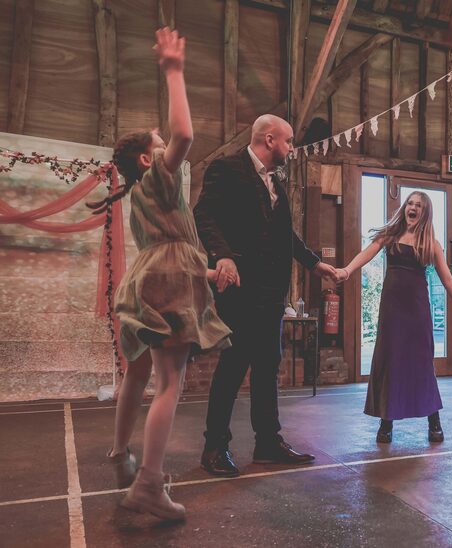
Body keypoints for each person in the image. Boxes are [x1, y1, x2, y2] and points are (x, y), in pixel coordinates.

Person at [89, 28, 232, 520]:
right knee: (171, 383)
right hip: (166, 278)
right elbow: (187, 135)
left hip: (151, 277)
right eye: (159, 143)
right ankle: (149, 484)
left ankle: (118, 447)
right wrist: (173, 70)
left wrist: (208, 271)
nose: (169, 147)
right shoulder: (158, 179)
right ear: (150, 159)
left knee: (140, 371)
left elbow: (176, 247)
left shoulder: (140, 196)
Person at [194, 114, 336, 477]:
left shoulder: (277, 181)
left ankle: (267, 443)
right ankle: (215, 447)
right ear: (270, 139)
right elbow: (205, 214)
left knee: (267, 367)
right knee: (233, 366)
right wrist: (222, 255)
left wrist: (314, 264)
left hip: (272, 292)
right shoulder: (226, 168)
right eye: (288, 141)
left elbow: (285, 233)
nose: (291, 148)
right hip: (240, 289)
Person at [334, 191, 452, 443]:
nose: (412, 207)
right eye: (410, 203)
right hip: (391, 308)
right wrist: (347, 270)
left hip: (417, 309)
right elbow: (367, 253)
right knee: (390, 360)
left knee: (422, 362)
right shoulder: (390, 234)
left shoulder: (431, 243)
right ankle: (386, 422)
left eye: (418, 205)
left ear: (425, 212)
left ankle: (434, 420)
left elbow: (448, 279)